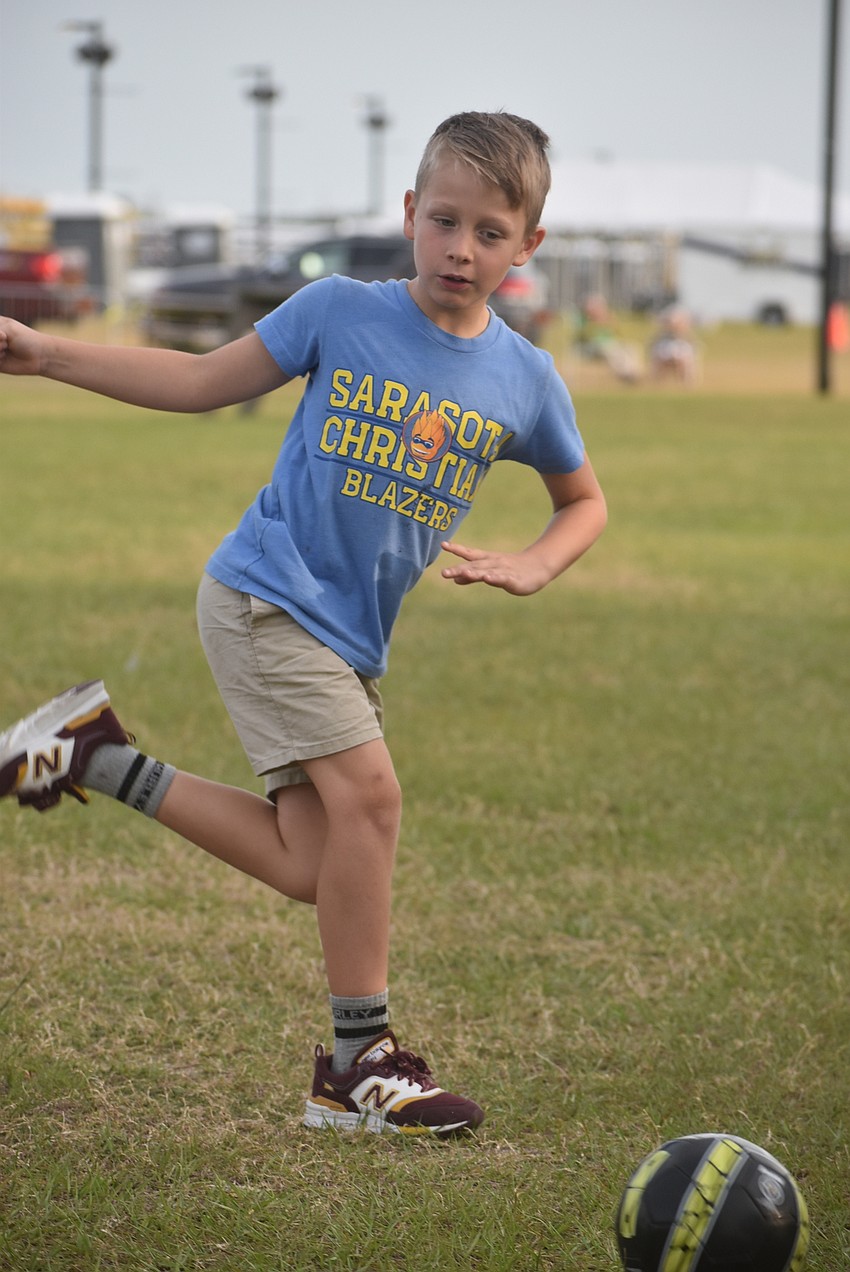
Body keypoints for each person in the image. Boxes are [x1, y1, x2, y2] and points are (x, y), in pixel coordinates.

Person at [0, 111, 607, 1135]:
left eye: (491, 232)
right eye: (445, 220)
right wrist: (44, 353)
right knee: (372, 799)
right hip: (262, 598)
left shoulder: (523, 378)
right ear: (410, 214)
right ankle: (357, 1065)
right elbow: (199, 382)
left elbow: (581, 500)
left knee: (313, 864)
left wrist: (536, 564)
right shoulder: (338, 310)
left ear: (527, 245)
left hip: (345, 637)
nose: (462, 248)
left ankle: (93, 756)